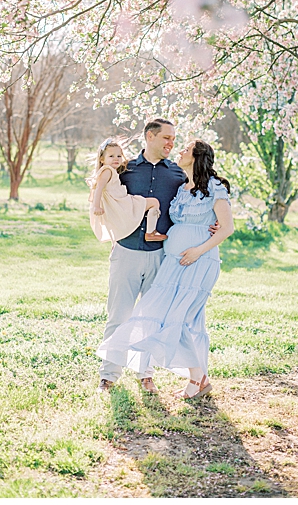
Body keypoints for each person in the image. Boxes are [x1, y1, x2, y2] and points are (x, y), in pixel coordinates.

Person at [98, 140, 235, 399]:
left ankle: (190, 377)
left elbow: (226, 226)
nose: (177, 148)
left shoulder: (203, 183)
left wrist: (200, 247)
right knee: (153, 317)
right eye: (171, 140)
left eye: (184, 147)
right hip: (164, 261)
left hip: (193, 262)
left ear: (197, 156)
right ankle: (113, 374)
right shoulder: (175, 185)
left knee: (178, 318)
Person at [97, 118, 187, 394]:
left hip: (160, 255)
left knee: (150, 317)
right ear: (150, 136)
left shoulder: (177, 174)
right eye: (166, 138)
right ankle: (109, 375)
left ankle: (145, 374)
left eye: (173, 139)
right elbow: (104, 193)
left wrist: (213, 222)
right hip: (125, 251)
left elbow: (194, 205)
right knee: (118, 315)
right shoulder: (125, 169)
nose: (171, 143)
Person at [88, 139, 167, 244]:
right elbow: (98, 188)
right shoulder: (107, 171)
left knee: (153, 202)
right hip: (121, 203)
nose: (116, 159)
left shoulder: (111, 171)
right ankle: (150, 232)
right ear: (102, 159)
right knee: (154, 202)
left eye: (119, 156)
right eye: (111, 156)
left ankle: (148, 233)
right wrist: (96, 206)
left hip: (119, 202)